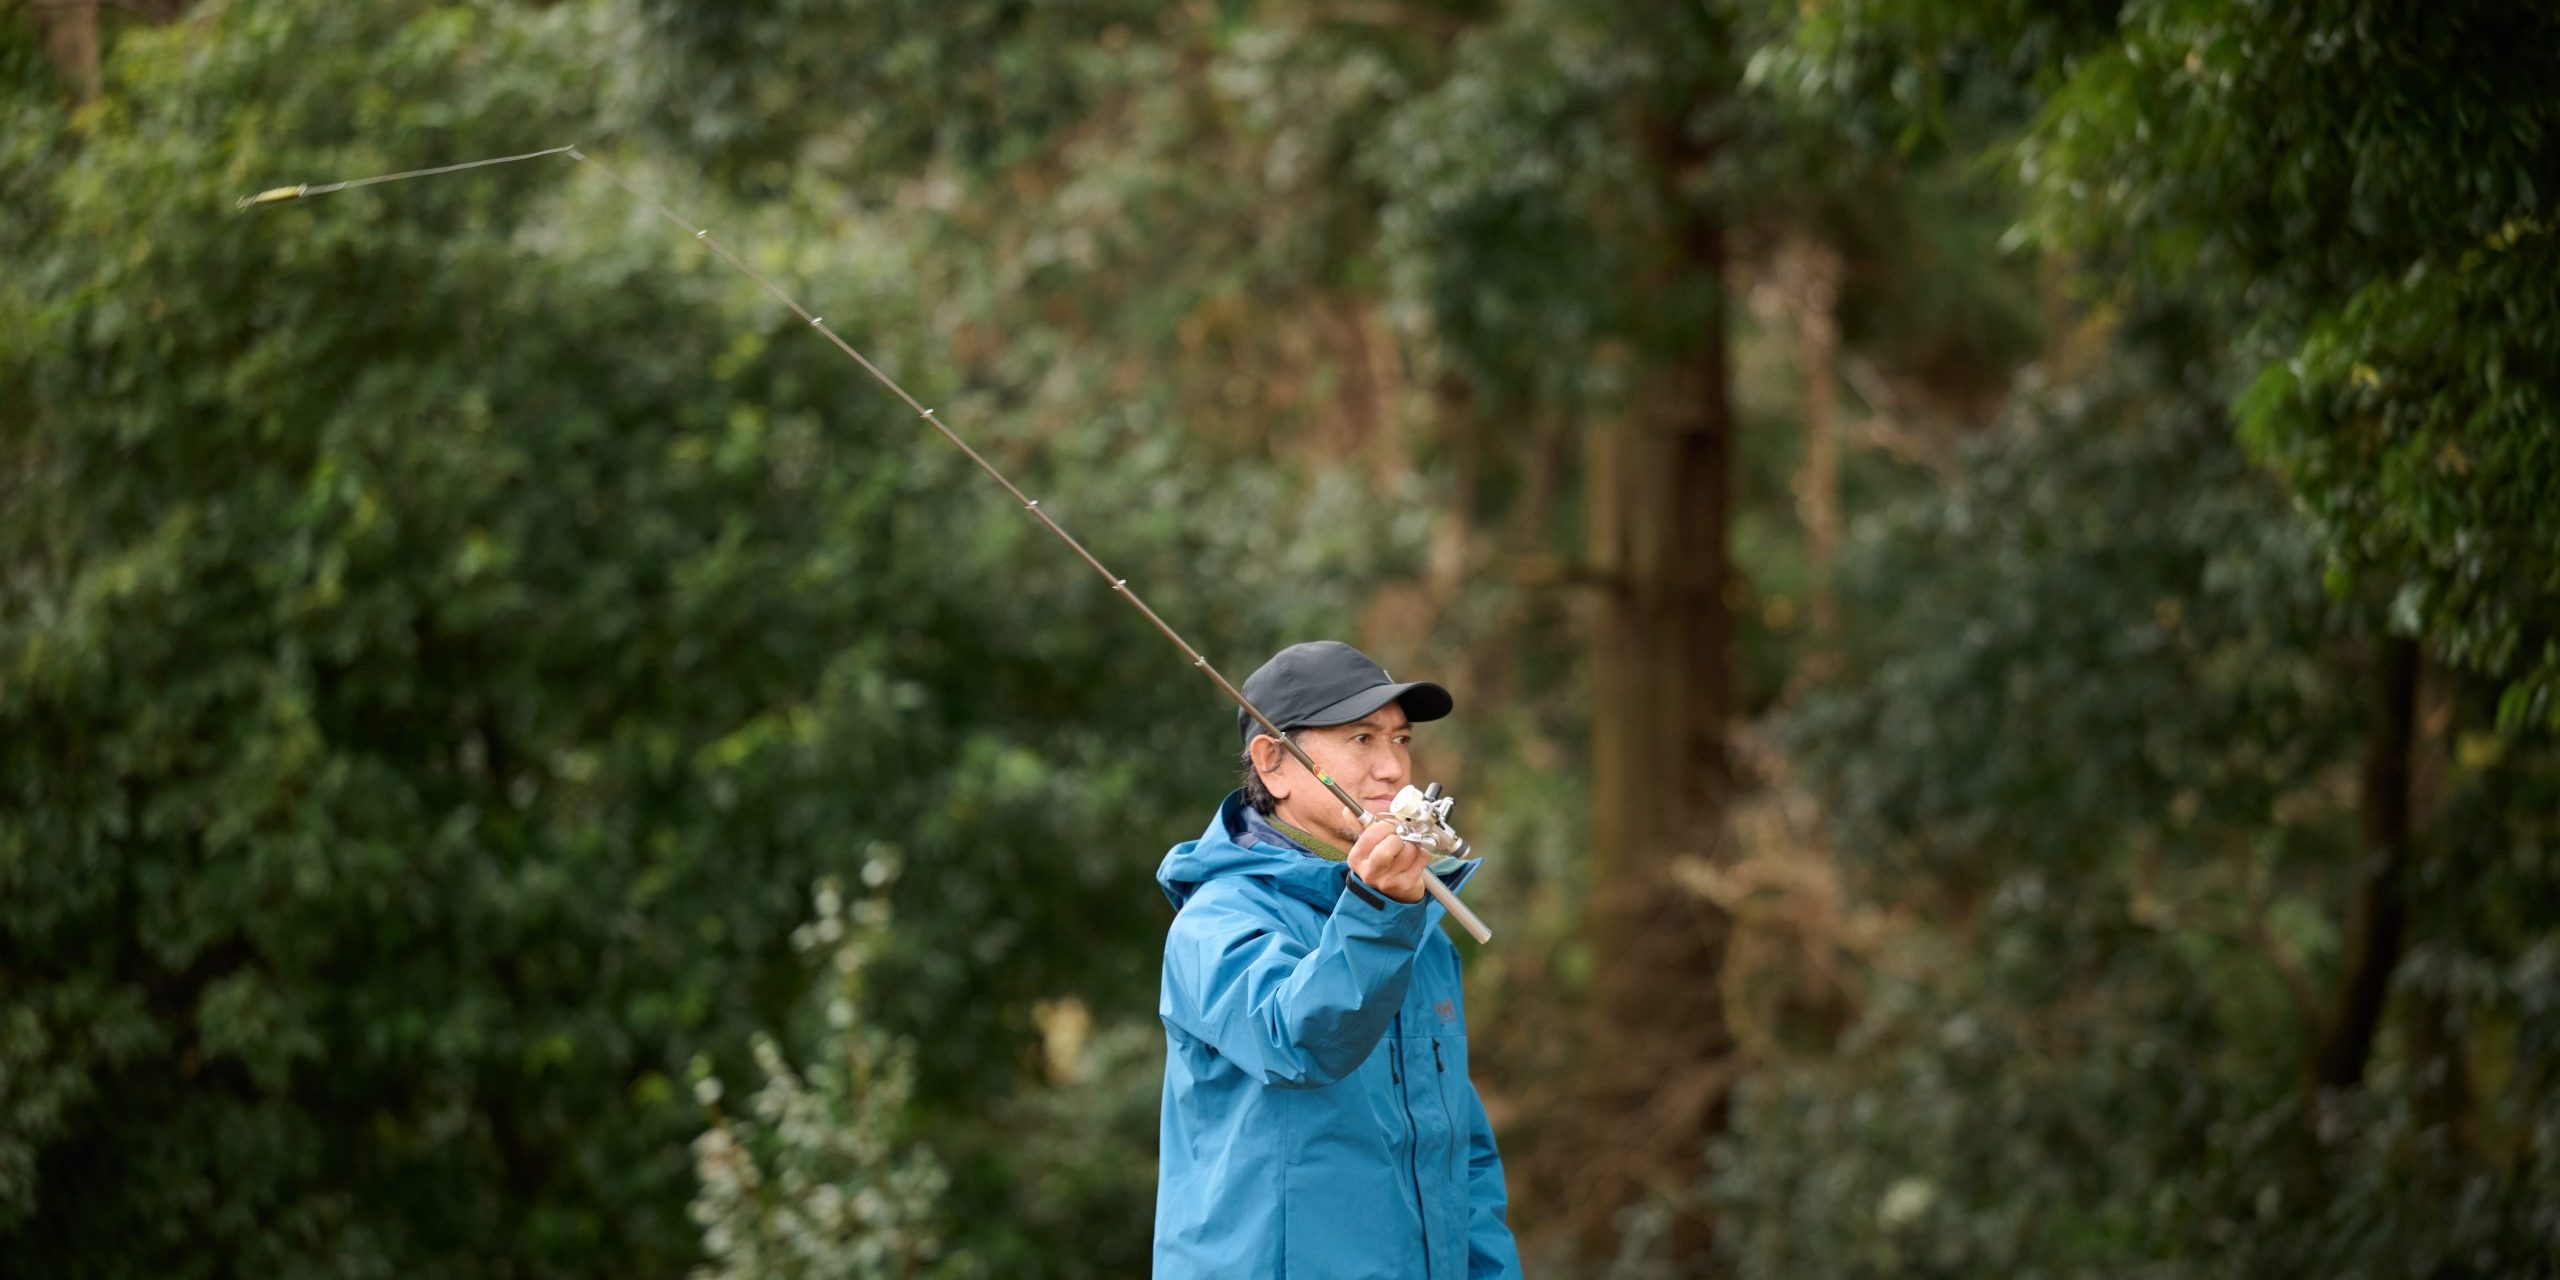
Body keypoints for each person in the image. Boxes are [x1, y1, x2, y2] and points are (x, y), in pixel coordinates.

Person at [1153, 640, 1523, 1279]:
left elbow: (1459, 1151)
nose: (1393, 770)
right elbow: (1298, 1044)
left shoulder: (1413, 924)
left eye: (1400, 740)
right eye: (1361, 739)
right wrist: (1377, 913)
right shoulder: (1216, 920)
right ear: (1273, 763)